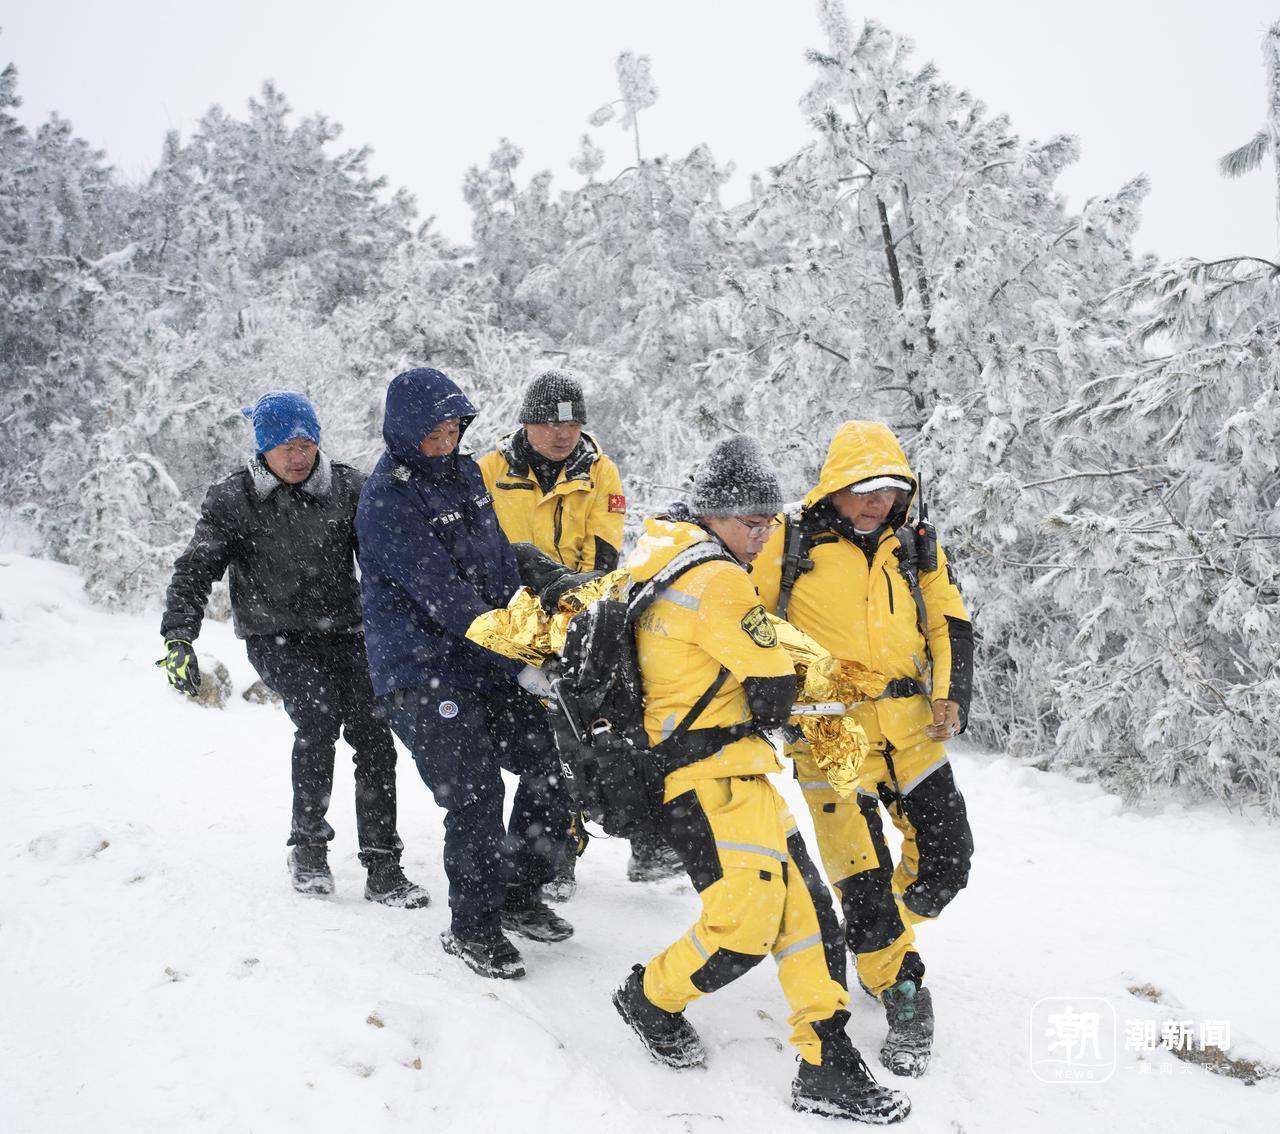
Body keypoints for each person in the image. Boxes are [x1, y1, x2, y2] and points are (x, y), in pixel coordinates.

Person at [611, 436, 909, 1125]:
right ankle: (650, 996)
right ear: (714, 514)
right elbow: (774, 682)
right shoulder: (716, 579)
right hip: (708, 780)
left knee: (805, 916)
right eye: (751, 522)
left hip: (733, 772)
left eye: (770, 522)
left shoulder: (668, 553)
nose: (763, 535)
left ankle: (826, 1059)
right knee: (745, 927)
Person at [754, 419, 974, 1078]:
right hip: (827, 735)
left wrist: (950, 692)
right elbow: (749, 619)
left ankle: (880, 933)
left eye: (888, 488)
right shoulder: (790, 541)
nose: (876, 501)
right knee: (863, 873)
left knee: (948, 862)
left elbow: (948, 620)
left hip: (911, 728)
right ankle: (900, 983)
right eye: (862, 488)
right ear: (836, 488)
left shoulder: (915, 545)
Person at [157, 391, 429, 908]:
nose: (299, 456)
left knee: (374, 734)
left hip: (348, 634)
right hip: (275, 635)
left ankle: (382, 863)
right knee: (318, 716)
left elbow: (390, 562)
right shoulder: (232, 498)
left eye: (306, 443)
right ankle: (307, 848)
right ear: (263, 450)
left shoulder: (350, 487)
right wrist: (179, 635)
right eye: (285, 447)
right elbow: (196, 569)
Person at [356, 367, 573, 981]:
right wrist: (518, 659)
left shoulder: (467, 474)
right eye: (434, 433)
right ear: (404, 431)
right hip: (420, 671)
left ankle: (516, 893)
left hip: (484, 659)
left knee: (547, 773)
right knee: (475, 793)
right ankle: (472, 927)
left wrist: (532, 630)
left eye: (454, 429)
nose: (446, 442)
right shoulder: (387, 500)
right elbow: (446, 598)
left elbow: (500, 564)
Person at [478, 367, 681, 895]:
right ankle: (555, 851)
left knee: (622, 719)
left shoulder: (600, 471)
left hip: (580, 611)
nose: (562, 434)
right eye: (549, 424)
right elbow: (484, 552)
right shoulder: (488, 472)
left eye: (572, 424)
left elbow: (605, 552)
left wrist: (584, 613)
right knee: (548, 736)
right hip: (514, 614)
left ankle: (645, 837)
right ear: (526, 423)